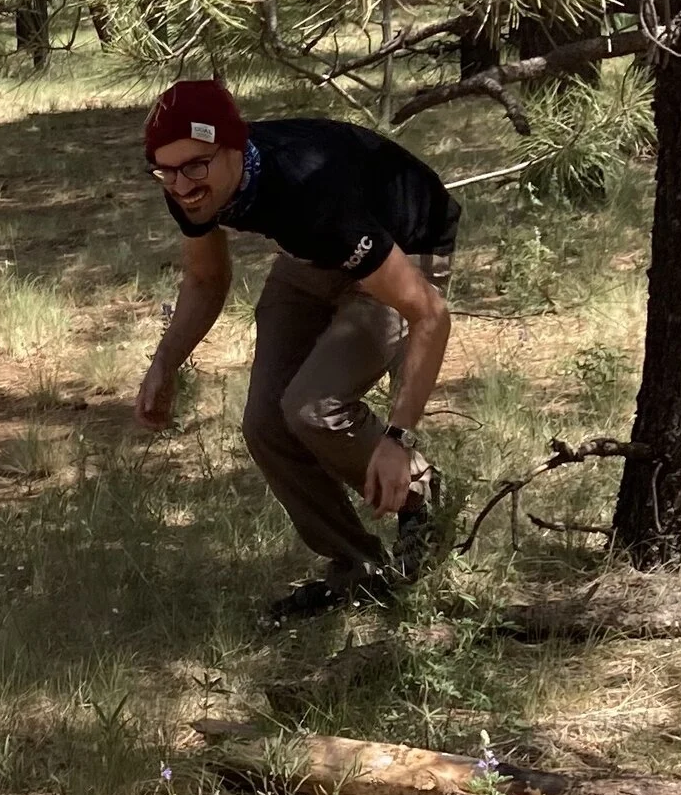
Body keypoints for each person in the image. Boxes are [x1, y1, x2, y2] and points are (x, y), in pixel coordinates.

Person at [131, 79, 459, 620]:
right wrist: (164, 362)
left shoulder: (311, 191)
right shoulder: (189, 185)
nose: (182, 184)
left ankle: (424, 494)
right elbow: (207, 279)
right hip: (312, 255)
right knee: (265, 422)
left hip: (401, 243)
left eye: (196, 165)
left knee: (314, 407)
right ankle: (356, 569)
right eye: (166, 170)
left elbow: (428, 313)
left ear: (234, 146)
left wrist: (399, 438)